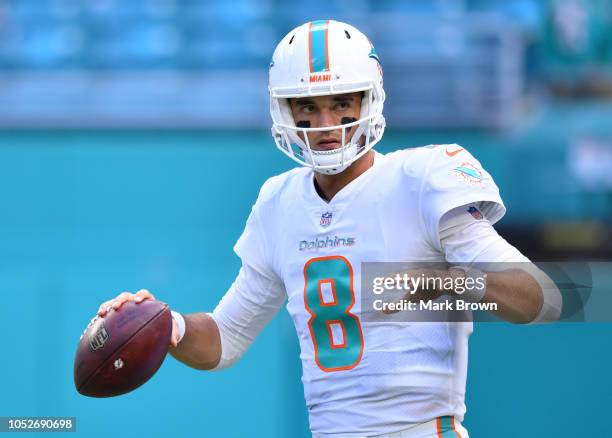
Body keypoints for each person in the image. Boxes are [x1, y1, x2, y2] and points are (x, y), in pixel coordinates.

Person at [96, 20, 561, 438]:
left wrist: (445, 280)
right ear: (285, 111)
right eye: (307, 106)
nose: (325, 124)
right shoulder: (278, 204)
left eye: (341, 103)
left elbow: (542, 298)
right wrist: (163, 325)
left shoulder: (421, 179)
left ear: (369, 99)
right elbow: (224, 338)